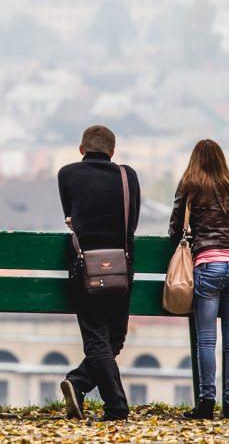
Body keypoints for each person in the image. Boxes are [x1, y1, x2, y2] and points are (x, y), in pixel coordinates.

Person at [57, 125, 140, 422]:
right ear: (112, 152)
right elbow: (132, 223)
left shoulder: (67, 174)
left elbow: (70, 216)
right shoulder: (127, 175)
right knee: (114, 338)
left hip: (84, 269)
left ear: (82, 149)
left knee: (99, 340)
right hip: (120, 267)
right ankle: (115, 406)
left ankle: (78, 384)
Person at [169, 139, 229, 422]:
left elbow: (176, 225)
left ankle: (206, 403)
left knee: (206, 339)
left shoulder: (190, 183)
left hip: (209, 265)